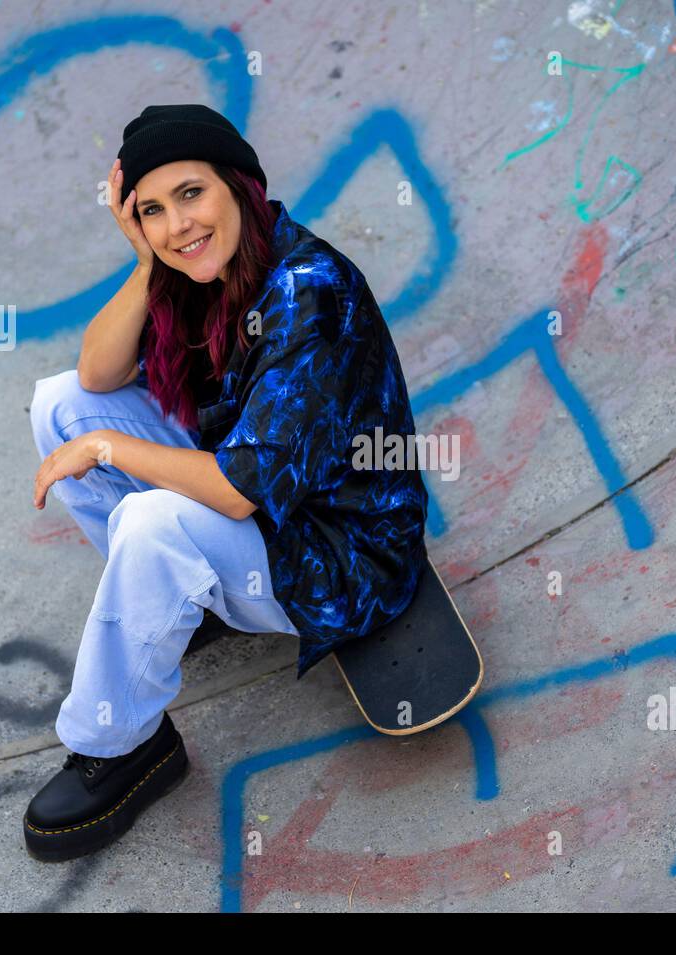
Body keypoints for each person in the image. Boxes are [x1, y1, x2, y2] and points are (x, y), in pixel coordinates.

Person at [22, 104, 429, 862]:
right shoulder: (196, 270)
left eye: (190, 193)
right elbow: (95, 377)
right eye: (152, 210)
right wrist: (145, 264)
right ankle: (177, 598)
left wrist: (113, 448)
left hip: (342, 548)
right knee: (60, 407)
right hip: (263, 500)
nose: (178, 225)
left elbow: (242, 490)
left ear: (238, 186)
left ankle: (126, 745)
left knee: (149, 522)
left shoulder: (309, 289)